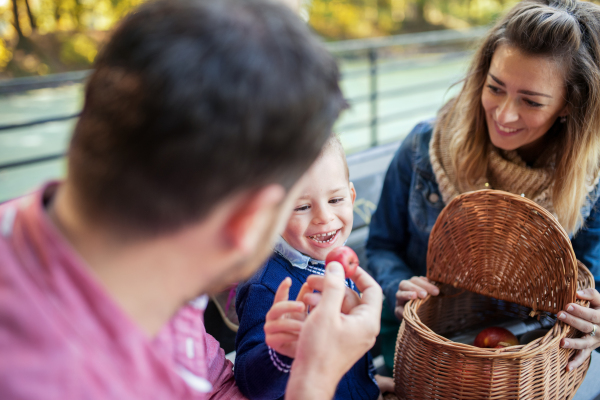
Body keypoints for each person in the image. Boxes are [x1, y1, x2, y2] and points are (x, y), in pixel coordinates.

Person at [0, 0, 383, 399]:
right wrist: (314, 380)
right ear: (247, 223)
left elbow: (215, 387)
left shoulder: (159, 275)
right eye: (297, 204)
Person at [366, 0, 600, 374]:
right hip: (425, 340)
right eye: (495, 88)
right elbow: (381, 245)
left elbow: (590, 284)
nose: (504, 114)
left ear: (568, 106)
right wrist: (399, 287)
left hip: (528, 355)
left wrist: (593, 322)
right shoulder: (424, 147)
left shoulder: (593, 182)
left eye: (531, 101)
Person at [234, 135, 394, 399]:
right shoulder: (266, 286)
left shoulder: (337, 262)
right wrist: (283, 352)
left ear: (352, 196)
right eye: (302, 206)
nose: (324, 217)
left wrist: (367, 385)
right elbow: (250, 384)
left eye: (335, 200)